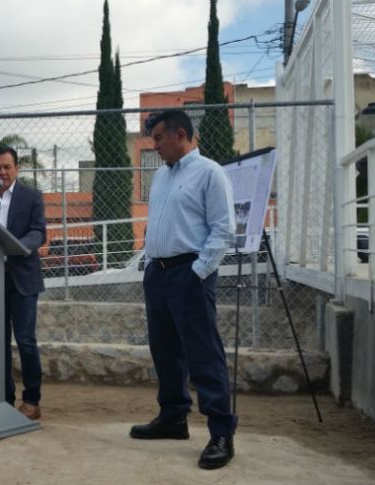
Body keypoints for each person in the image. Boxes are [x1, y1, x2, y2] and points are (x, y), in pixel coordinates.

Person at [129, 110, 238, 470]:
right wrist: (149, 260)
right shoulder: (161, 176)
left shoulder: (210, 173)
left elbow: (223, 230)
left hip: (188, 273)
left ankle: (221, 432)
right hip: (158, 274)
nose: (155, 146)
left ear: (180, 134)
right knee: (164, 349)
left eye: (159, 138)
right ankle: (173, 417)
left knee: (203, 353)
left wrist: (197, 273)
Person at [0, 146, 46, 420]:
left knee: (25, 340)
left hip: (23, 277)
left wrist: (16, 246)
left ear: (17, 168)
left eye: (7, 167)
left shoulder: (32, 196)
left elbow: (39, 232)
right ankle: (4, 398)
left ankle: (32, 401)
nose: (2, 172)